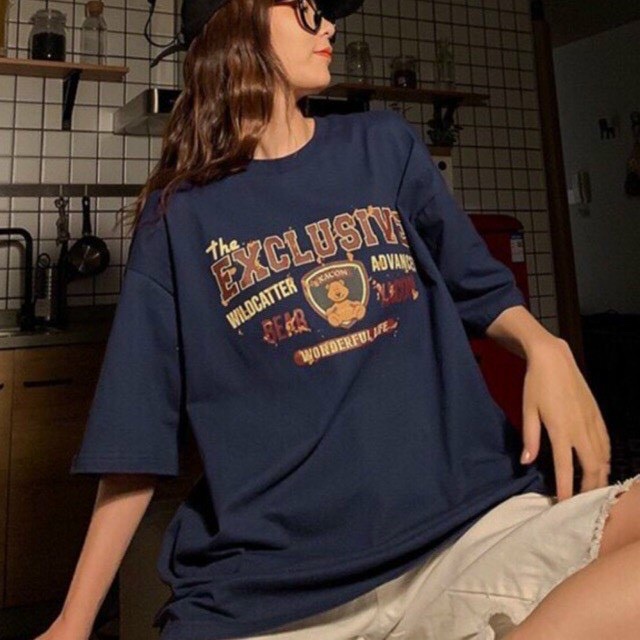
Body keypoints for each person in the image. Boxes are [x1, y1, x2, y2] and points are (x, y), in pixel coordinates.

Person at [37, 1, 640, 639]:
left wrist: (545, 347)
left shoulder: (382, 145)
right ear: (236, 20)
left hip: (466, 533)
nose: (328, 25)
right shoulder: (177, 218)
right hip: (278, 591)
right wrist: (73, 623)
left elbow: (479, 282)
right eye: (305, 7)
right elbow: (135, 434)